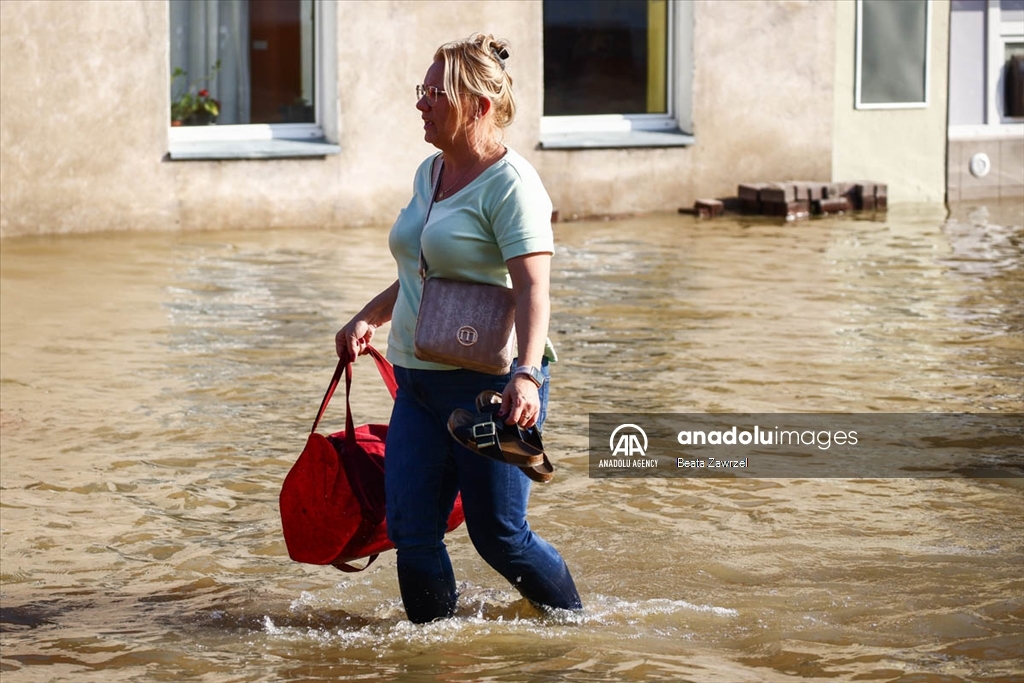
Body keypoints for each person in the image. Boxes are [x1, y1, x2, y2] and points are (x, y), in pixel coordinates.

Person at [335, 33, 582, 624]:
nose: (420, 103)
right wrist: (369, 316)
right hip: (416, 384)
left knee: (499, 537)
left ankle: (576, 629)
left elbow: (533, 290)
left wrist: (526, 375)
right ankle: (435, 653)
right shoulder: (431, 170)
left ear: (478, 106)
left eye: (433, 93)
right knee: (412, 531)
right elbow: (424, 270)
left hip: (489, 390)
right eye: (420, 91)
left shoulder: (512, 185)